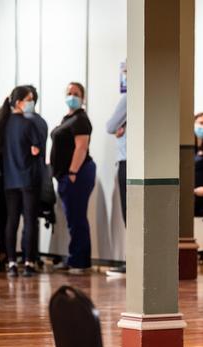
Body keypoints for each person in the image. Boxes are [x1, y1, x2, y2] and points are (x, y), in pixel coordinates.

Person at [0, 86, 42, 277]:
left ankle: (11, 262)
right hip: (28, 178)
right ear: (19, 101)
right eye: (29, 99)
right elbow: (36, 149)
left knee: (11, 221)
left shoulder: (3, 124)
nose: (31, 103)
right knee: (29, 220)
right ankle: (29, 262)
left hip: (9, 180)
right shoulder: (29, 124)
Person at [50, 82, 96, 274]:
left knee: (77, 218)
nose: (72, 96)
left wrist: (72, 172)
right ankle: (74, 257)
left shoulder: (80, 119)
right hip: (66, 175)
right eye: (69, 93)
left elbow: (81, 147)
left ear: (83, 98)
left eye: (76, 93)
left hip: (77, 173)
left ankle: (80, 261)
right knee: (72, 218)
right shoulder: (67, 118)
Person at [23, 85, 49, 268]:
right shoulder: (41, 121)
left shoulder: (28, 122)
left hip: (26, 176)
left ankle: (28, 258)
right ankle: (32, 256)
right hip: (37, 174)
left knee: (28, 220)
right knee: (32, 219)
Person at [105, 93, 127, 275]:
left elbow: (111, 126)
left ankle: (133, 262)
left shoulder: (129, 97)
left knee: (131, 215)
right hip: (143, 162)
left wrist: (121, 125)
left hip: (128, 162)